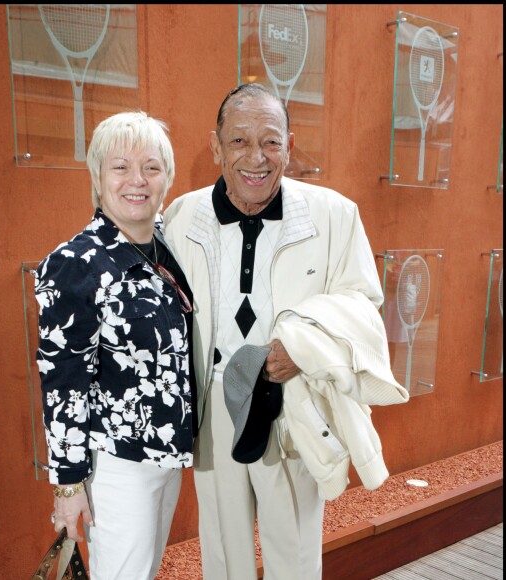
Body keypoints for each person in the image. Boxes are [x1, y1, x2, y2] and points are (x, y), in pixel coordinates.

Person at [162, 83, 387, 580]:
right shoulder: (180, 218)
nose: (256, 157)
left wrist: (305, 349)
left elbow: (363, 304)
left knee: (295, 544)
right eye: (239, 141)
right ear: (215, 147)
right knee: (221, 545)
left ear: (289, 144)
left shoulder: (334, 216)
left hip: (292, 401)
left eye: (270, 141)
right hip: (213, 405)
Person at [34, 111, 195, 580]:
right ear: (98, 177)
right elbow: (63, 385)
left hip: (166, 456)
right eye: (120, 167)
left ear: (167, 178)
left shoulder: (163, 247)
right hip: (118, 465)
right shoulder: (75, 263)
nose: (137, 180)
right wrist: (68, 486)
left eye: (151, 166)